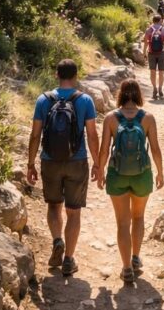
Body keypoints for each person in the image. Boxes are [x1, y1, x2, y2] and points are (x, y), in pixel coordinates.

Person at [27, 59, 99, 276]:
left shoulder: (43, 99)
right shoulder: (85, 100)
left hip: (50, 161)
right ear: (76, 75)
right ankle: (68, 259)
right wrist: (97, 163)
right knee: (74, 212)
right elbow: (93, 135)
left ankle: (57, 240)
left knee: (53, 206)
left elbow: (35, 134)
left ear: (56, 74)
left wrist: (30, 163)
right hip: (77, 161)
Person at [95, 79, 164, 283]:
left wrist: (100, 172)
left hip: (117, 175)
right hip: (142, 175)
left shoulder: (110, 118)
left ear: (121, 94)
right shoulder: (148, 118)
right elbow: (155, 149)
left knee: (122, 223)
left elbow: (104, 150)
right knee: (139, 217)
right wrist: (160, 173)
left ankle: (126, 268)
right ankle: (135, 258)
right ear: (138, 95)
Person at [143, 15, 164, 100]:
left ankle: (154, 89)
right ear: (160, 21)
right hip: (162, 53)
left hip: (151, 53)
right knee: (161, 72)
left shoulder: (148, 30)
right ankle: (160, 90)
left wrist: (144, 53)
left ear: (153, 21)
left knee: (152, 72)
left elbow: (146, 43)